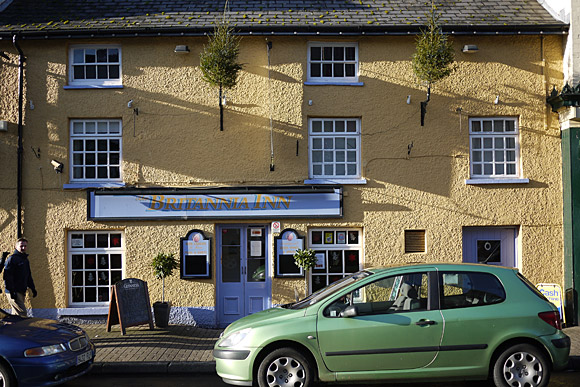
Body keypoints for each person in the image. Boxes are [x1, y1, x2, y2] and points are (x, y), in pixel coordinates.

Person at [1, 238, 37, 317]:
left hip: (21, 290)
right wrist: (11, 291)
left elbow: (28, 276)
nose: (24, 248)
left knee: (16, 316)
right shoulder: (12, 259)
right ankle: (23, 329)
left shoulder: (25, 260)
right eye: (21, 246)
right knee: (22, 314)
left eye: (25, 246)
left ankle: (10, 329)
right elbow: (7, 277)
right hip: (13, 291)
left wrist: (33, 288)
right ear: (16, 247)